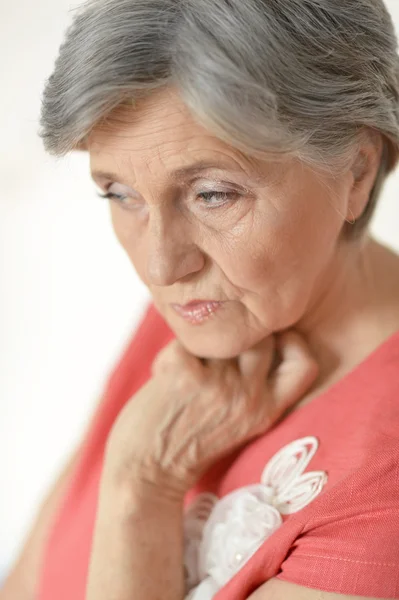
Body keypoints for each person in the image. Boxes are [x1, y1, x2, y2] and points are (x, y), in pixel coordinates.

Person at [2, 0, 399, 598]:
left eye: (213, 194)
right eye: (119, 194)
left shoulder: (385, 479)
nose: (161, 266)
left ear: (357, 170)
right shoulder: (207, 311)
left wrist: (141, 485)